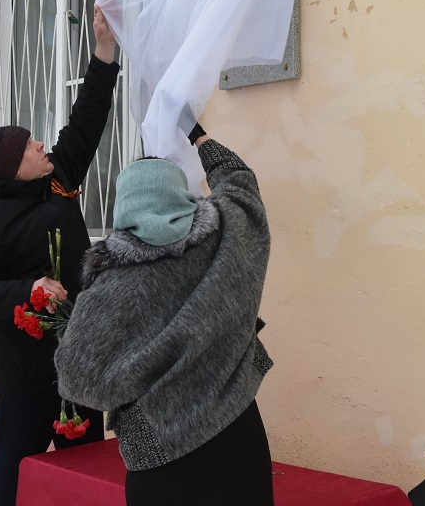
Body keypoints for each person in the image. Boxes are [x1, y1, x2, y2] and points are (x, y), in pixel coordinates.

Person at [0, 6, 119, 506]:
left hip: (76, 364)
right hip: (24, 375)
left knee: (84, 481)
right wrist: (28, 291)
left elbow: (86, 122)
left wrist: (104, 50)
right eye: (28, 147)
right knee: (12, 481)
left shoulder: (56, 182)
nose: (42, 144)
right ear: (11, 169)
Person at [54, 126, 275, 506]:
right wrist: (199, 135)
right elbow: (240, 185)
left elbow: (77, 378)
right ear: (182, 195)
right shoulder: (229, 236)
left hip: (160, 453)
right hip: (239, 437)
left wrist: (140, 378)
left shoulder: (113, 284)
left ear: (124, 206)